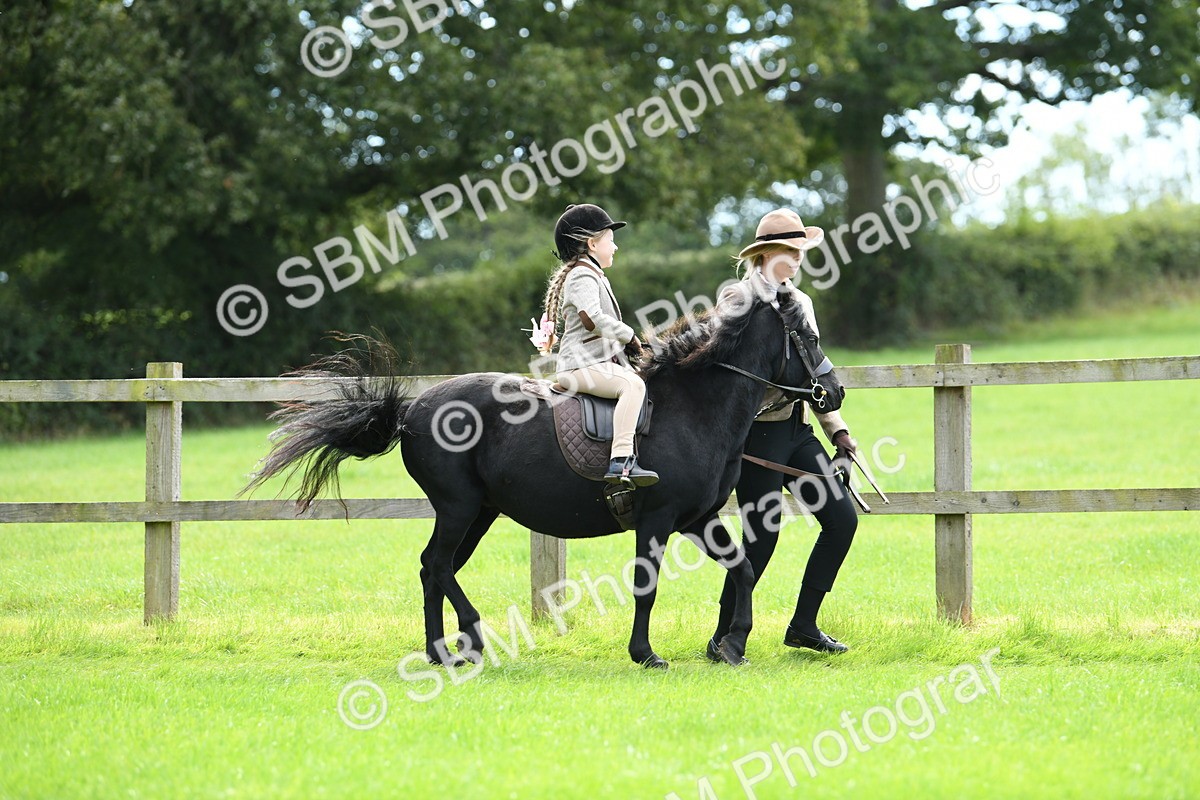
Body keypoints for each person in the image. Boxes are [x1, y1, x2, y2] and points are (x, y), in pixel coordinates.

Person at [709, 208, 859, 656]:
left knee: (841, 520)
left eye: (800, 251)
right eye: (791, 251)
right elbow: (724, 377)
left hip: (797, 430)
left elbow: (813, 370)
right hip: (756, 436)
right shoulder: (737, 301)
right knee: (761, 539)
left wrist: (838, 431)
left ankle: (804, 626)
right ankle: (722, 637)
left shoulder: (802, 302)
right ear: (767, 253)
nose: (798, 258)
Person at [543, 203, 658, 488]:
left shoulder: (592, 273)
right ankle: (621, 459)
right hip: (579, 366)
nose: (615, 247)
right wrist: (629, 335)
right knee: (632, 385)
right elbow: (592, 319)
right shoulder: (582, 275)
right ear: (592, 244)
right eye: (611, 240)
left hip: (593, 362)